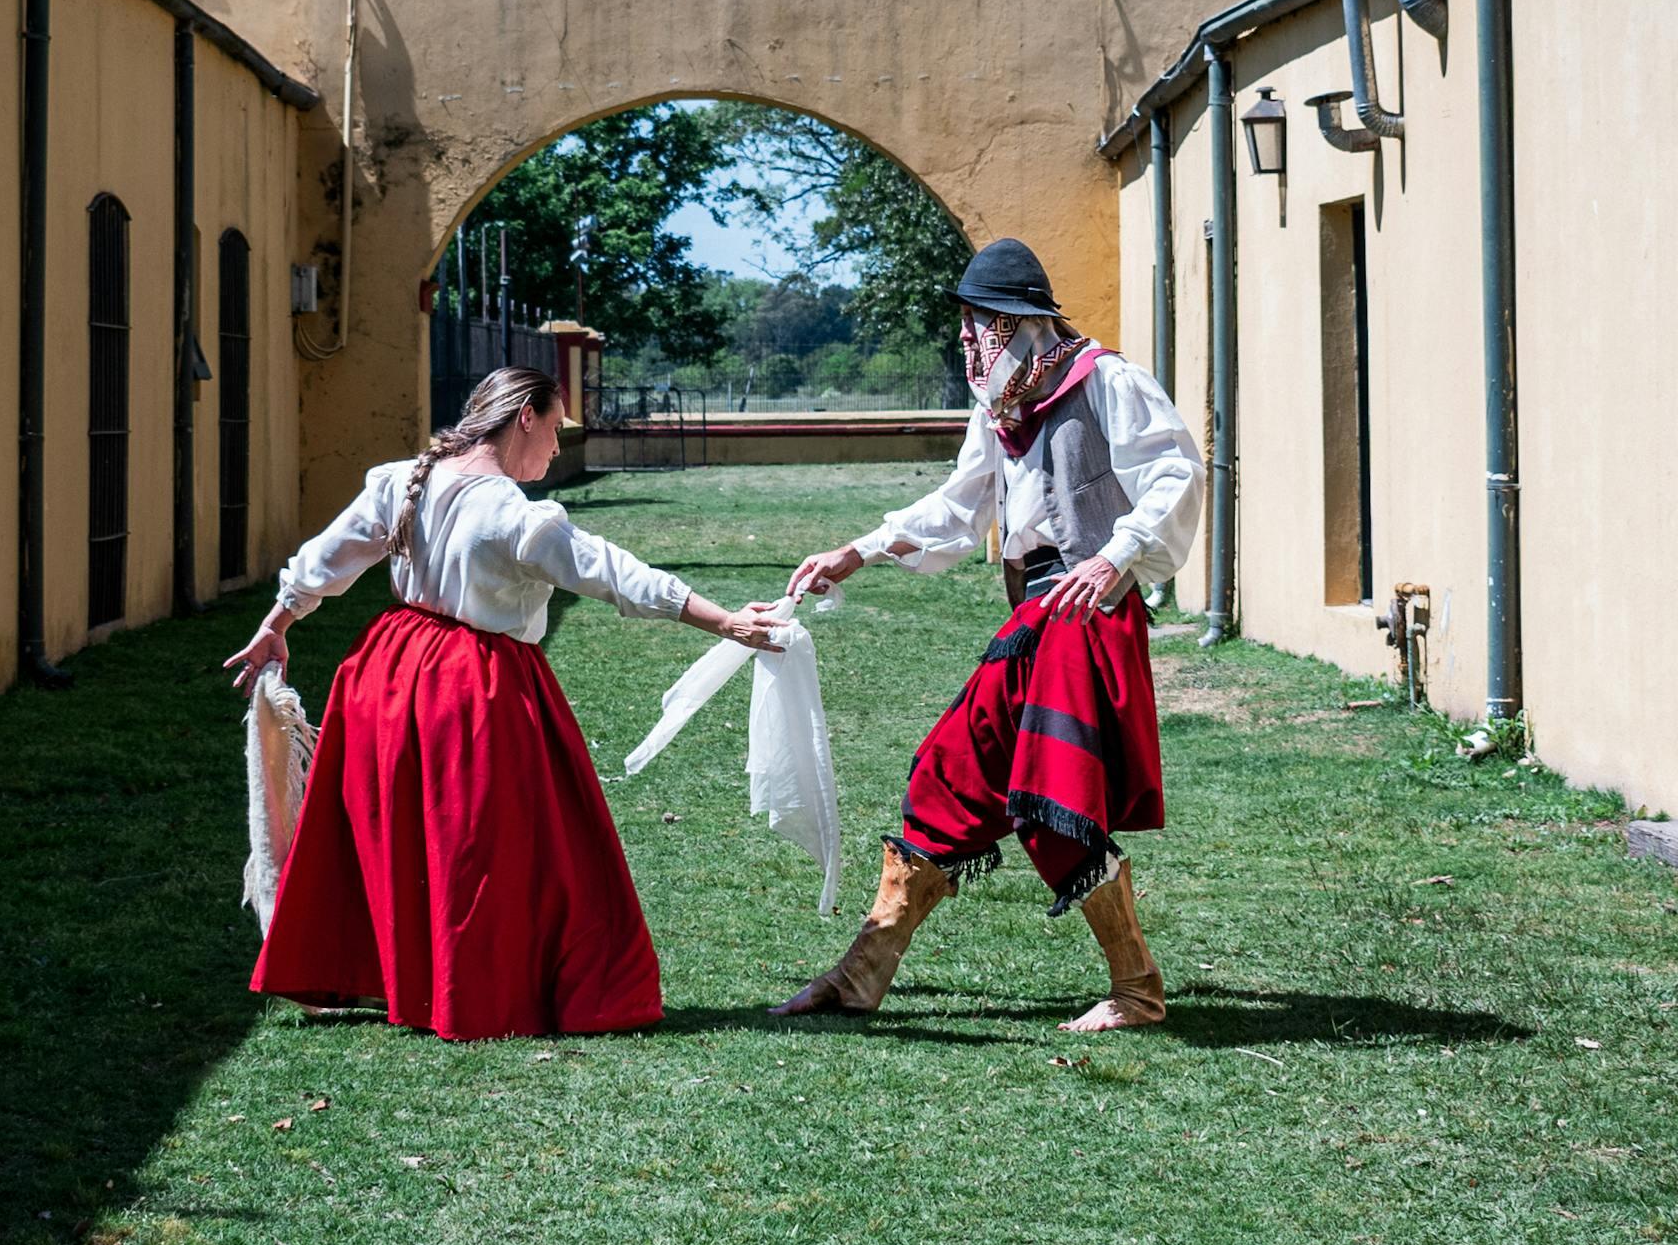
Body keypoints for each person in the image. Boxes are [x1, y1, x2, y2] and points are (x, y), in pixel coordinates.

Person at [225, 367, 777, 1041]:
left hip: (386, 675)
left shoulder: (402, 480)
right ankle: (477, 989)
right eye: (554, 424)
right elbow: (613, 573)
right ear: (524, 417)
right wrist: (723, 621)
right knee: (499, 847)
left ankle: (397, 977)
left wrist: (277, 622)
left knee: (396, 830)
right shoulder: (516, 515)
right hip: (472, 689)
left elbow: (326, 557)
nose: (557, 441)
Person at [774, 237, 1204, 1033]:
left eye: (985, 323)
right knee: (947, 771)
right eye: (970, 324)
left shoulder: (1106, 380)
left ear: (1024, 322)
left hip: (1086, 616)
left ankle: (1137, 989)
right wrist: (858, 551)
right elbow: (956, 506)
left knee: (1054, 795)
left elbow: (1177, 473)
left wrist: (1112, 556)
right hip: (1034, 618)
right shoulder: (1002, 410)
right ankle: (863, 971)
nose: (973, 340)